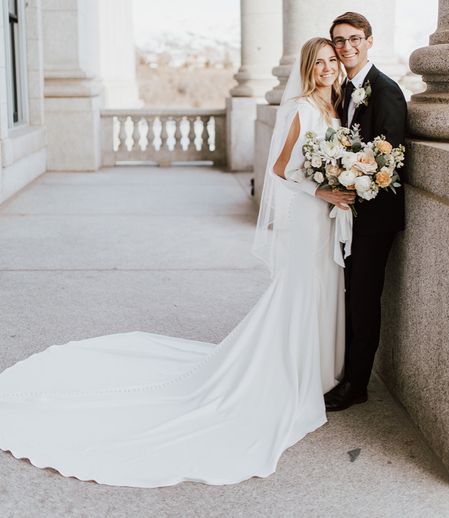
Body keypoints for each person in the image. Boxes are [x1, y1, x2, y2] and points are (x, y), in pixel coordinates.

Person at [0, 37, 353, 488]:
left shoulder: (336, 108)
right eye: (318, 62)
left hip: (328, 216)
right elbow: (282, 170)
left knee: (323, 286)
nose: (326, 68)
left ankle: (322, 368)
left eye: (331, 61)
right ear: (307, 68)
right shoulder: (303, 109)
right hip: (310, 213)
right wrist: (322, 191)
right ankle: (295, 373)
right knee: (302, 289)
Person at [323, 12, 407, 412]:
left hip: (375, 220)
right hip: (349, 213)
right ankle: (346, 372)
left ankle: (356, 385)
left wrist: (352, 179)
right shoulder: (345, 91)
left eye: (354, 39)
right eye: (339, 40)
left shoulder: (386, 90)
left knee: (363, 300)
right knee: (349, 295)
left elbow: (388, 157)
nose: (346, 47)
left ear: (369, 40)